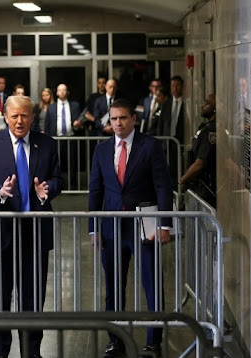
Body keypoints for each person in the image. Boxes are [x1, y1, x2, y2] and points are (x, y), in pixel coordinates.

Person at [0, 95, 63, 358]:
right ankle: (0, 353)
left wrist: (46, 190)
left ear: (33, 117)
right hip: (0, 233)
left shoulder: (46, 144)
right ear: (5, 116)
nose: (20, 121)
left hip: (35, 233)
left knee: (33, 300)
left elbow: (58, 178)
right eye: (14, 116)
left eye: (25, 115)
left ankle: (31, 353)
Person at [88, 99, 173, 357]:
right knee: (113, 289)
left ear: (133, 119)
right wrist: (93, 228)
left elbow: (162, 186)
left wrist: (165, 223)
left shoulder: (150, 146)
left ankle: (153, 343)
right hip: (112, 229)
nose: (118, 123)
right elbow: (95, 190)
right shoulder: (102, 151)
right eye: (113, 119)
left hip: (144, 227)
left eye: (123, 118)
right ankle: (115, 342)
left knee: (151, 285)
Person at [180, 94, 217, 207]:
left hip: (204, 186)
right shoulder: (205, 127)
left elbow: (200, 163)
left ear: (215, 109)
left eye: (207, 103)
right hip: (198, 185)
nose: (202, 106)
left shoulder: (211, 130)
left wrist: (182, 180)